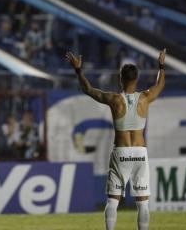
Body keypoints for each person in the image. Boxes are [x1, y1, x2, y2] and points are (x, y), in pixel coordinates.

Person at [66, 48, 166, 230]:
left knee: (113, 201)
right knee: (143, 203)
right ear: (136, 79)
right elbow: (159, 85)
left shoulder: (114, 99)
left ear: (120, 79)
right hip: (139, 152)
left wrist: (78, 70)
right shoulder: (145, 98)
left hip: (120, 153)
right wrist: (161, 65)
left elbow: (87, 89)